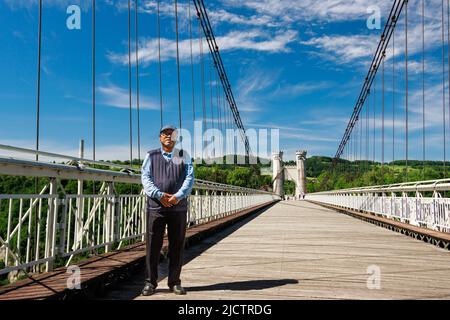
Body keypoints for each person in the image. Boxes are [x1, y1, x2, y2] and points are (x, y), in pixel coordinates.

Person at [141, 125, 194, 296]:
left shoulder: (183, 155)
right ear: (160, 137)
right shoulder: (151, 155)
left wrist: (178, 196)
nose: (169, 136)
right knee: (152, 247)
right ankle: (150, 282)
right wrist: (158, 194)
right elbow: (145, 177)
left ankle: (174, 282)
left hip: (178, 207)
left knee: (177, 246)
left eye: (172, 134)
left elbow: (189, 177)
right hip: (156, 206)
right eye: (165, 134)